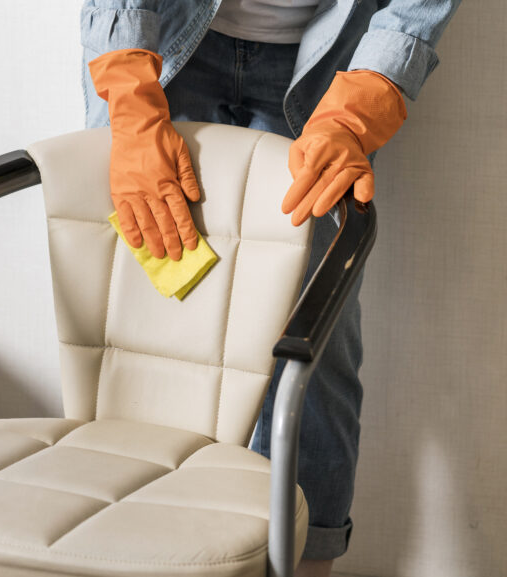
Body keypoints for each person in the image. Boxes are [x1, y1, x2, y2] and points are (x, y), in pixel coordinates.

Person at [80, 1, 459, 576]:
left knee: (312, 328)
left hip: (330, 59)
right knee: (150, 316)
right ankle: (140, 550)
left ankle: (302, 561)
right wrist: (130, 96)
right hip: (170, 42)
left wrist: (357, 110)